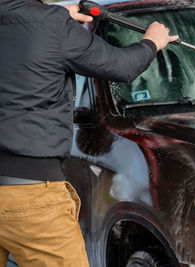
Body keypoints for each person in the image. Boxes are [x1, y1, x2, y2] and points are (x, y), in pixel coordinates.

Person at [0, 0, 178, 266]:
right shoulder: (52, 25)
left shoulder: (46, 22)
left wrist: (53, 18)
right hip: (29, 195)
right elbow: (122, 66)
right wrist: (152, 41)